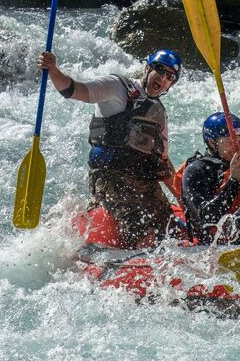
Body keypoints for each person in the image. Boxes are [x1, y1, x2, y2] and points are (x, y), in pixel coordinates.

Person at [38, 49, 181, 249]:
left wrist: (184, 202)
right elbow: (74, 90)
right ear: (147, 68)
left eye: (170, 76)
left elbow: (163, 162)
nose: (163, 78)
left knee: (173, 231)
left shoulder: (159, 113)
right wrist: (53, 70)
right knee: (142, 234)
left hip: (142, 180)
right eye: (159, 69)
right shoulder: (116, 86)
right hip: (110, 177)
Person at [179, 112, 240, 244]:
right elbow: (207, 217)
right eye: (230, 142)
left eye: (239, 141)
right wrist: (234, 181)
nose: (237, 146)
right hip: (212, 243)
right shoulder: (196, 170)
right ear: (212, 142)